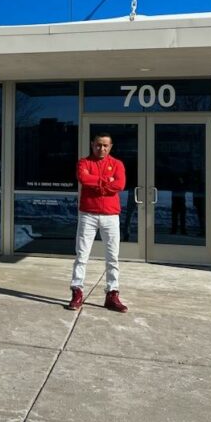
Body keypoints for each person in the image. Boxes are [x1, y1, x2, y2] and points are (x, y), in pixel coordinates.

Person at [68, 132, 128, 312]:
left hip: (110, 216)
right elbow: (84, 179)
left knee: (112, 257)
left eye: (105, 145)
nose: (101, 148)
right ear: (92, 144)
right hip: (88, 214)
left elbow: (120, 184)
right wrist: (106, 182)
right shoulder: (83, 163)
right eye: (98, 145)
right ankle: (77, 291)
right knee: (82, 255)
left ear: (110, 147)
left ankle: (112, 294)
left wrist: (98, 183)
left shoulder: (117, 164)